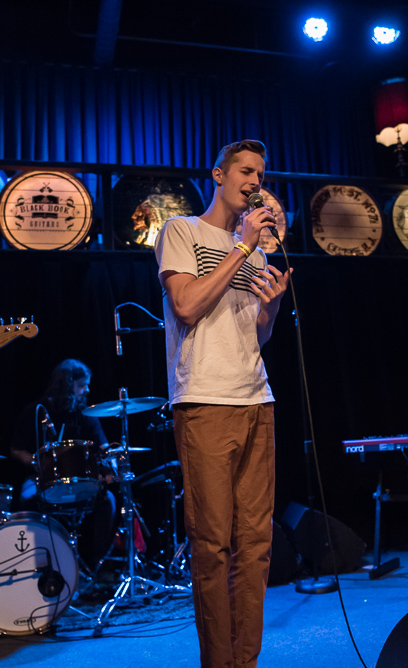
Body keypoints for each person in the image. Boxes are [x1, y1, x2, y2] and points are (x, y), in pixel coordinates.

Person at [155, 139, 292, 668]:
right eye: (246, 171)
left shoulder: (256, 249)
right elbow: (187, 306)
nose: (255, 182)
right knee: (212, 546)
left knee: (256, 545)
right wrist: (240, 247)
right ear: (218, 174)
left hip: (257, 399)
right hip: (204, 401)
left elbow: (255, 335)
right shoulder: (182, 231)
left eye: (261, 174)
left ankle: (245, 662)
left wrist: (271, 309)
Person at [8, 359, 116, 569]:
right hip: (43, 479)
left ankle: (94, 566)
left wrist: (108, 466)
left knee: (108, 501)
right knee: (26, 497)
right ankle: (37, 564)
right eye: (81, 385)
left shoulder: (87, 415)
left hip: (81, 481)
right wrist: (36, 463)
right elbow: (16, 450)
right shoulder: (37, 411)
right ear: (67, 385)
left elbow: (103, 448)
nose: (87, 390)